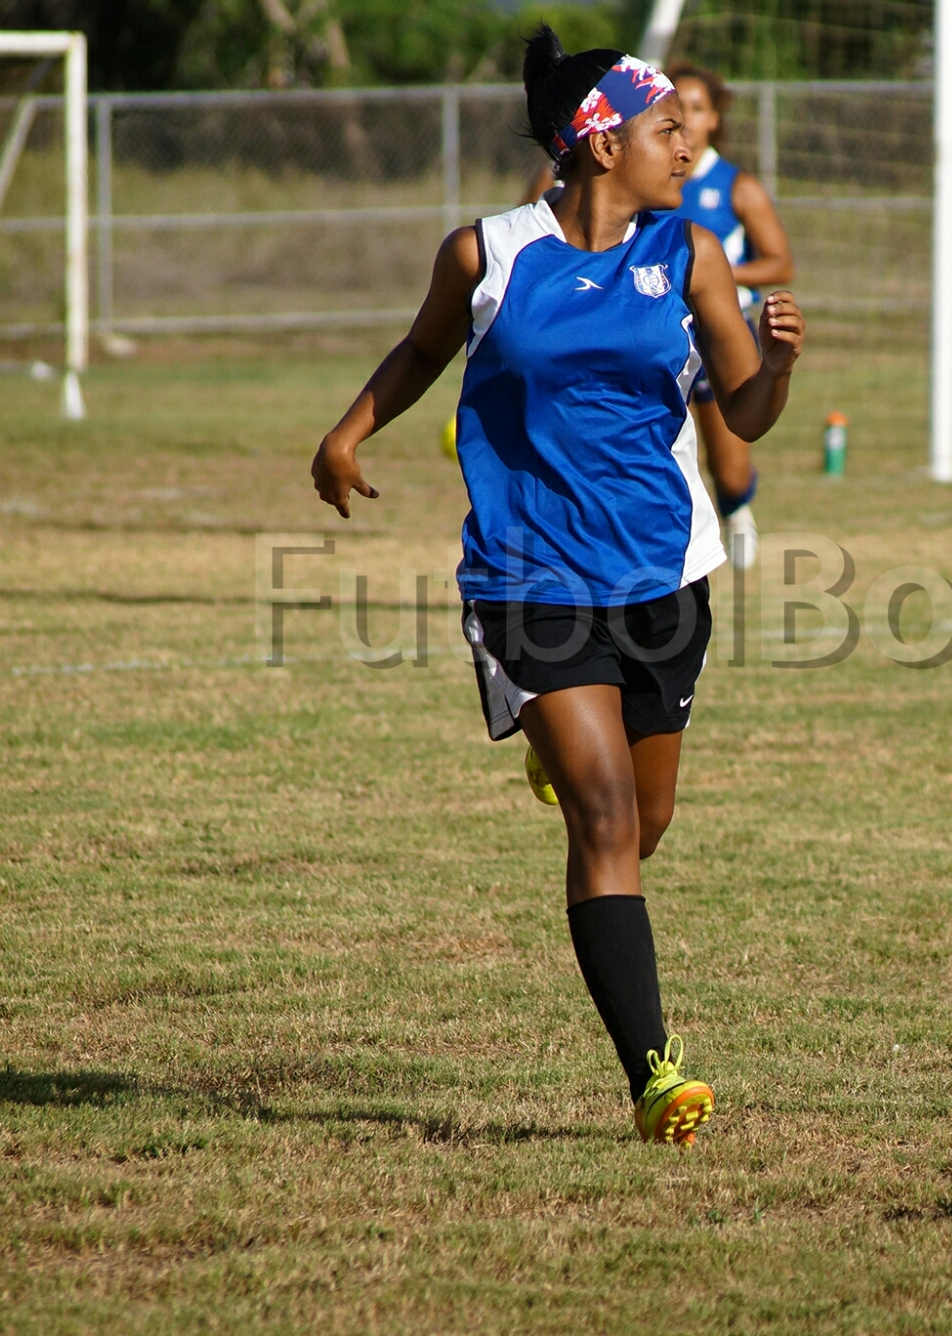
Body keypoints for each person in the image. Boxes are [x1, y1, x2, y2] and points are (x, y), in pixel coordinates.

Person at [310, 29, 805, 1145]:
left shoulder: (689, 254)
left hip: (665, 579)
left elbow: (744, 411)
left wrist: (774, 365)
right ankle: (655, 1074)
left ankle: (568, 770)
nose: (687, 143)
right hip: (528, 578)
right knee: (605, 818)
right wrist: (346, 435)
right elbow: (421, 350)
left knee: (649, 816)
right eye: (664, 126)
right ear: (596, 140)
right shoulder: (487, 255)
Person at [518, 62, 794, 569]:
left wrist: (720, 284)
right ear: (604, 143)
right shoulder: (509, 240)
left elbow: (781, 261)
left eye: (689, 116)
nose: (682, 134)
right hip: (639, 339)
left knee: (728, 471)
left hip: (709, 339)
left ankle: (732, 511)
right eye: (670, 120)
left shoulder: (726, 194)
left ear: (712, 120)